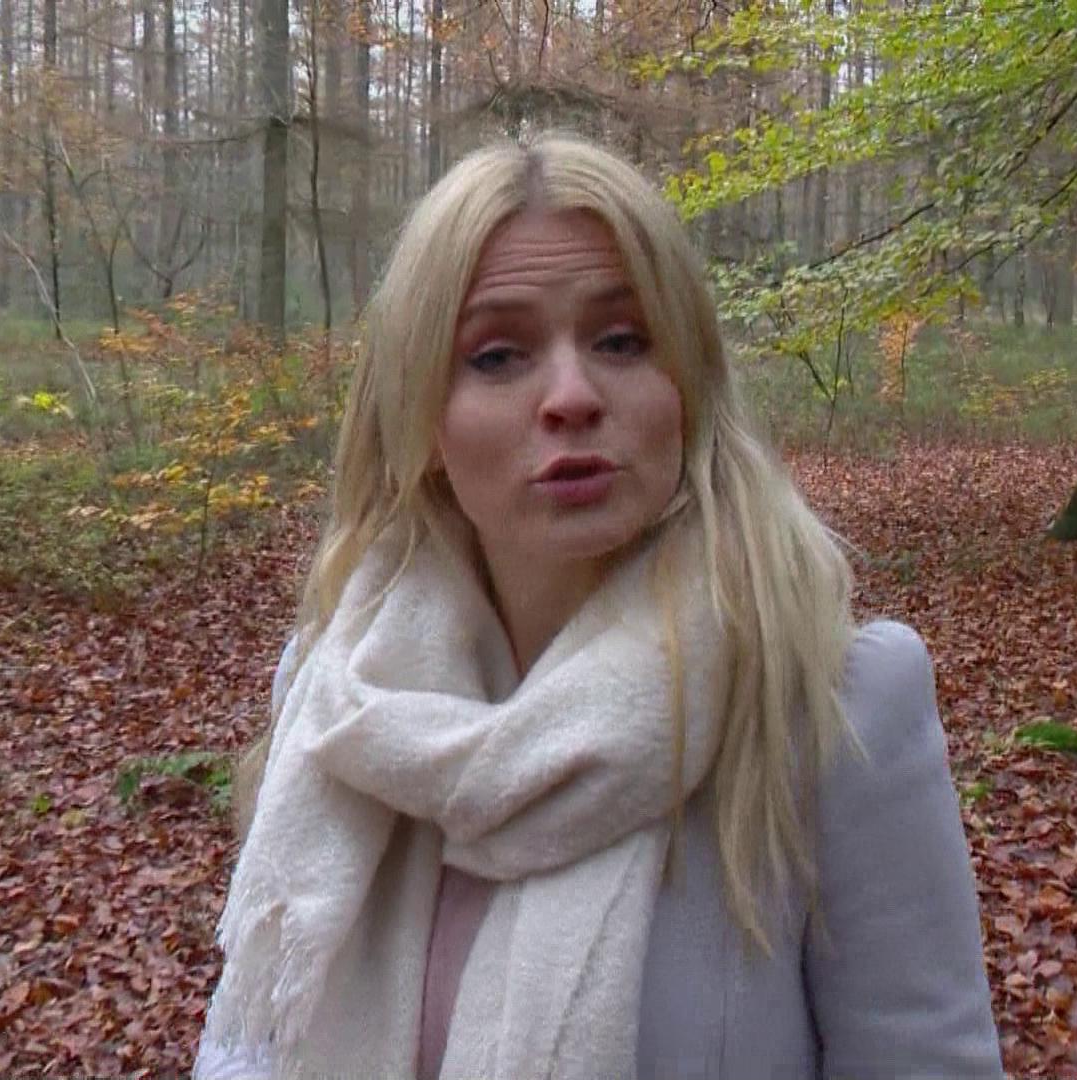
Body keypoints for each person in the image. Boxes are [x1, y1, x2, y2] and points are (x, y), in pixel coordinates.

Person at [193, 130, 1003, 1079]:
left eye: (621, 342)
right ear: (423, 418)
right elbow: (246, 1049)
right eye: (498, 355)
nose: (571, 396)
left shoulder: (827, 704)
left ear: (687, 384)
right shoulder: (343, 694)